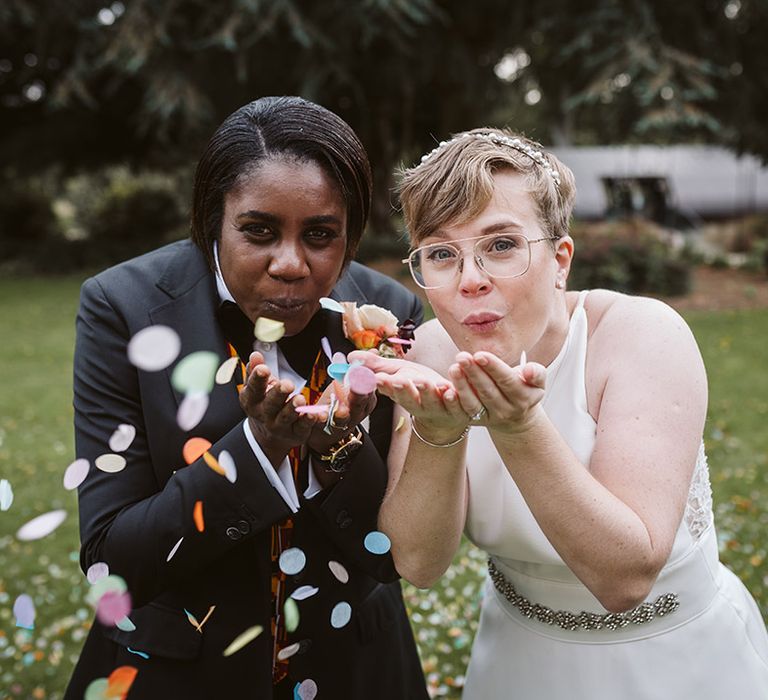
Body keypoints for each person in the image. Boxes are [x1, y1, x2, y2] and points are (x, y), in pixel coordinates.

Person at [352, 128, 768, 698]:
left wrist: (518, 427)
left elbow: (625, 578)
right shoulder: (431, 351)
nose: (470, 280)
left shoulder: (641, 336)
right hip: (519, 665)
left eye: (500, 245)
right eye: (442, 254)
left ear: (560, 259)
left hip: (672, 664)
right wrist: (438, 430)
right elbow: (418, 563)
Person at [64, 96, 429, 700]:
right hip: (177, 672)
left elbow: (391, 557)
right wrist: (258, 448)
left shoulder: (390, 316)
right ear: (214, 218)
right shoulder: (122, 308)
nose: (290, 264)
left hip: (358, 668)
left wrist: (338, 449)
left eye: (321, 235)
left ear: (352, 233)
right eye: (258, 231)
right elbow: (111, 560)